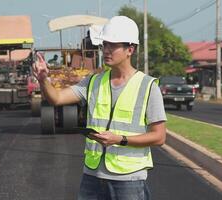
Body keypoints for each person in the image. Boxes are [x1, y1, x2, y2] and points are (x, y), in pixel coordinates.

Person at [33, 16, 166, 200]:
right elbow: (56, 98)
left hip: (129, 180)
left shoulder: (148, 86)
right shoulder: (93, 82)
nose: (107, 50)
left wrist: (119, 139)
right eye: (105, 45)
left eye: (113, 45)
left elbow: (159, 137)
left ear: (130, 49)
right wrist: (43, 80)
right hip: (93, 177)